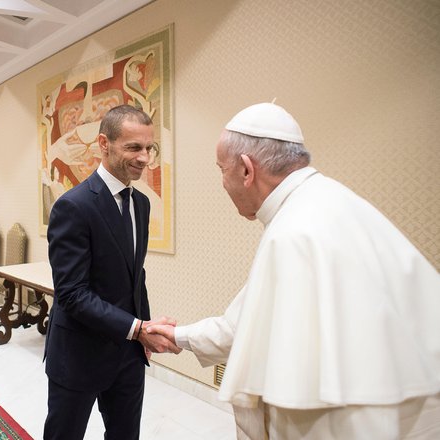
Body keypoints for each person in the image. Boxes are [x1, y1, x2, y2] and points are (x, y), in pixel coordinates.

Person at [147, 102, 440, 439]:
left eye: (221, 169)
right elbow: (249, 323)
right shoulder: (332, 200)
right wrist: (179, 336)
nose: (223, 183)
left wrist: (177, 336)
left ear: (246, 170)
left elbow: (257, 344)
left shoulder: (293, 232)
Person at [43, 104, 181, 440]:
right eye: (134, 148)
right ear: (104, 144)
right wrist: (138, 329)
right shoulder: (73, 206)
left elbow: (136, 276)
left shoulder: (141, 204)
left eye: (150, 148)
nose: (144, 158)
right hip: (78, 355)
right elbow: (72, 294)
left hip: (128, 356)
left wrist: (143, 331)